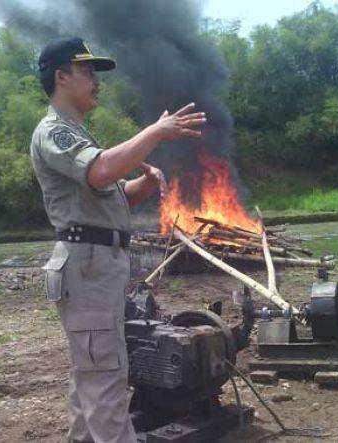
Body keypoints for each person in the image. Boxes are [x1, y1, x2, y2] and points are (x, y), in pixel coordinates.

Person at [29, 37, 206, 443]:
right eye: (87, 71)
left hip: (96, 264)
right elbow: (101, 171)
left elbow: (111, 194)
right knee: (105, 379)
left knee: (92, 374)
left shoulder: (76, 132)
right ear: (61, 76)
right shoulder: (54, 131)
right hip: (87, 264)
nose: (96, 80)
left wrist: (144, 182)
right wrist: (157, 132)